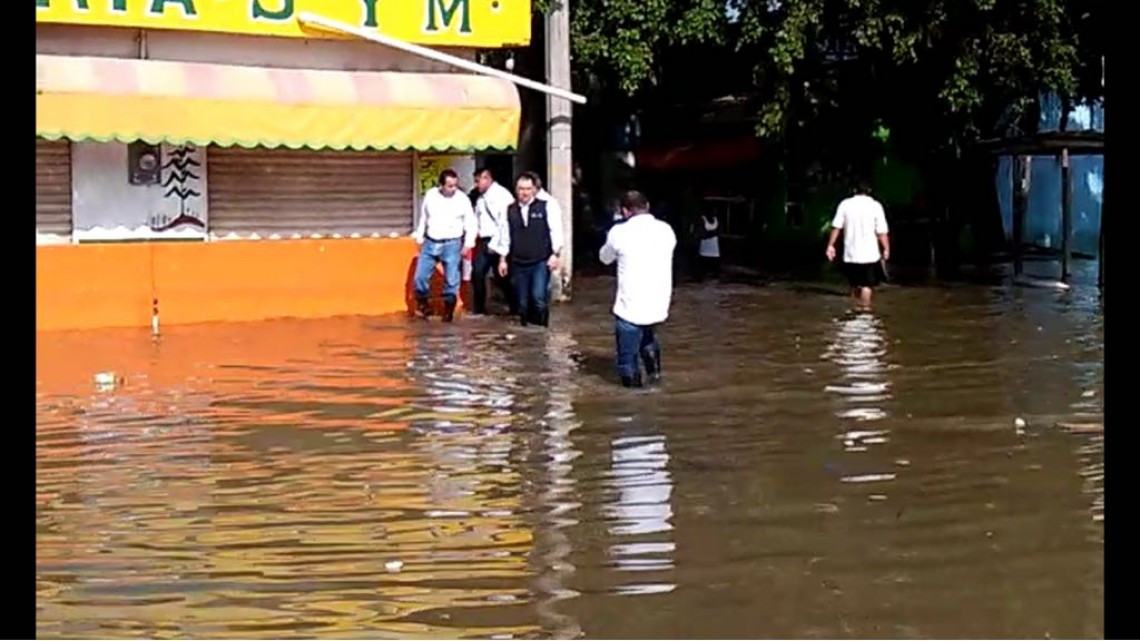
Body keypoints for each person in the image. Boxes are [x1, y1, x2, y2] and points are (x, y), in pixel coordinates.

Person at [599, 190, 677, 388]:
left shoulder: (619, 232)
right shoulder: (666, 230)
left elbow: (604, 258)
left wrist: (614, 227)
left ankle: (632, 401)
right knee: (648, 337)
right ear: (647, 206)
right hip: (657, 302)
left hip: (630, 305)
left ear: (625, 211)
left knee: (627, 358)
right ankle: (656, 380)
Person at [492, 172, 564, 327]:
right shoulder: (509, 210)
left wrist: (555, 254)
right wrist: (502, 259)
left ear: (534, 190)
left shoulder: (546, 206)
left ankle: (542, 331)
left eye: (527, 189)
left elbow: (556, 231)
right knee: (522, 303)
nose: (524, 192)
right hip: (518, 262)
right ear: (516, 190)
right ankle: (527, 337)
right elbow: (504, 236)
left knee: (538, 298)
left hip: (540, 260)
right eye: (521, 189)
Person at [411, 169, 477, 322]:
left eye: (455, 185)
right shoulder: (431, 195)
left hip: (452, 242)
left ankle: (448, 313)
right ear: (441, 185)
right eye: (449, 186)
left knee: (452, 279)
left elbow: (470, 222)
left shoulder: (462, 199)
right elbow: (424, 217)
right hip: (431, 241)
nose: (453, 189)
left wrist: (468, 243)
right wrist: (420, 237)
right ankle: (423, 305)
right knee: (420, 277)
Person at [825, 180, 890, 306]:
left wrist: (830, 245)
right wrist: (886, 248)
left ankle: (853, 311)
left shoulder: (845, 204)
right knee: (867, 285)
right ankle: (865, 311)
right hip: (870, 255)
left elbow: (836, 227)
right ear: (869, 191)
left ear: (854, 190)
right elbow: (881, 232)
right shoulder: (875, 206)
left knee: (854, 284)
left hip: (850, 254)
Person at [470, 167, 516, 316]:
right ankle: (479, 309)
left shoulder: (500, 195)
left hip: (497, 240)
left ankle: (515, 307)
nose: (477, 185)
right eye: (476, 181)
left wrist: (495, 244)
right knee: (478, 273)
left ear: (488, 178)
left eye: (479, 181)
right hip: (484, 240)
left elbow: (503, 223)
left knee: (502, 276)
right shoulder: (481, 196)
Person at [695, 212, 721, 280]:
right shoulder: (702, 219)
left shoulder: (716, 219)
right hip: (705, 246)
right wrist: (712, 234)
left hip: (714, 246)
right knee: (704, 262)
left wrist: (710, 234)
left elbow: (719, 232)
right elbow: (701, 234)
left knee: (715, 263)